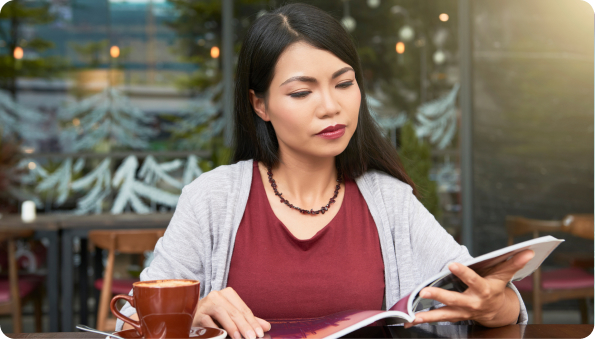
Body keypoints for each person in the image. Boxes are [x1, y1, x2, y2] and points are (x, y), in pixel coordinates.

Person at [116, 3, 531, 338]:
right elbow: (128, 323)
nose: (331, 106)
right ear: (259, 105)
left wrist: (499, 305)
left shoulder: (389, 201)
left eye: (344, 83)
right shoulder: (212, 199)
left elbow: (480, 293)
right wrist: (192, 317)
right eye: (301, 91)